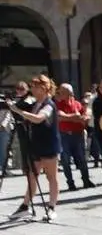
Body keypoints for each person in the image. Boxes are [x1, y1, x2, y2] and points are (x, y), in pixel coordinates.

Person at [8, 75, 61, 221]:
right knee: (32, 175)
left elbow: (39, 118)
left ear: (44, 88)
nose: (33, 89)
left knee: (52, 177)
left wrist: (19, 112)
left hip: (49, 144)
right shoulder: (35, 103)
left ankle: (51, 208)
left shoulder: (49, 104)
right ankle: (25, 206)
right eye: (32, 86)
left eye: (35, 87)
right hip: (36, 144)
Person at [55, 83, 95, 191]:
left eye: (63, 92)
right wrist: (75, 117)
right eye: (60, 92)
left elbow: (85, 117)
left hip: (78, 135)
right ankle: (70, 183)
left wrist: (81, 118)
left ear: (70, 93)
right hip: (64, 135)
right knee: (65, 160)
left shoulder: (77, 104)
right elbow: (59, 116)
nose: (60, 94)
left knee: (82, 158)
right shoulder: (58, 104)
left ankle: (86, 180)